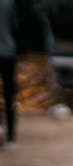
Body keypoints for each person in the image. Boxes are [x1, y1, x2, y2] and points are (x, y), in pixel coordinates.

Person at [0, 0, 16, 148]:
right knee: (9, 96)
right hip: (8, 54)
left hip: (7, 52)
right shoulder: (9, 3)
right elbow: (15, 27)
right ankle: (11, 138)